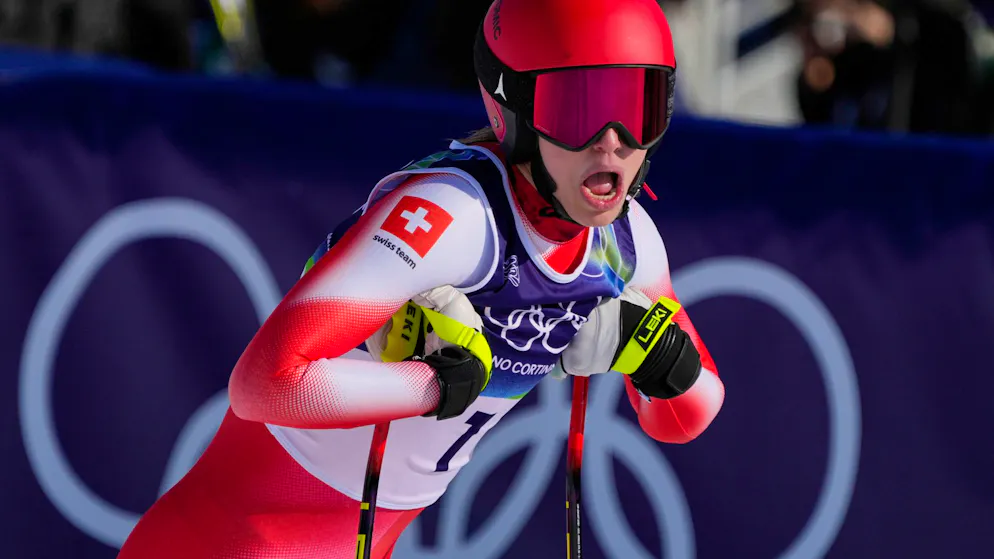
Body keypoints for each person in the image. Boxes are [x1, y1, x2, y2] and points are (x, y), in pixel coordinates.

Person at [116, 0, 725, 557]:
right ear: (510, 108)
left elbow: (684, 416)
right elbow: (263, 383)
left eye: (636, 108)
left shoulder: (625, 246)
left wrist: (660, 362)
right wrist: (433, 385)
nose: (612, 145)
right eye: (578, 112)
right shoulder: (454, 216)